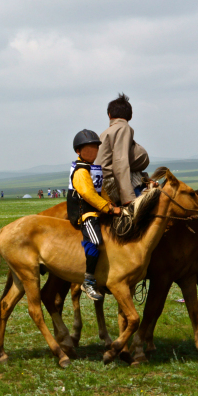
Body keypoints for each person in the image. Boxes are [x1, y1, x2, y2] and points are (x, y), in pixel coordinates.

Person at [67, 129, 123, 302]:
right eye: (88, 149)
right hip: (86, 214)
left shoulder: (91, 168)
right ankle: (89, 280)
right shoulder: (81, 171)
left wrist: (110, 203)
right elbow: (89, 194)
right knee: (96, 241)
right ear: (78, 151)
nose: (93, 152)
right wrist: (108, 209)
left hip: (97, 209)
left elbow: (101, 190)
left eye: (95, 148)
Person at [96, 93, 150, 207]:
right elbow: (120, 161)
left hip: (107, 180)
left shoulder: (106, 132)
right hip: (115, 182)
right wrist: (128, 197)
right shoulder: (123, 128)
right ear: (130, 116)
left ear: (109, 115)